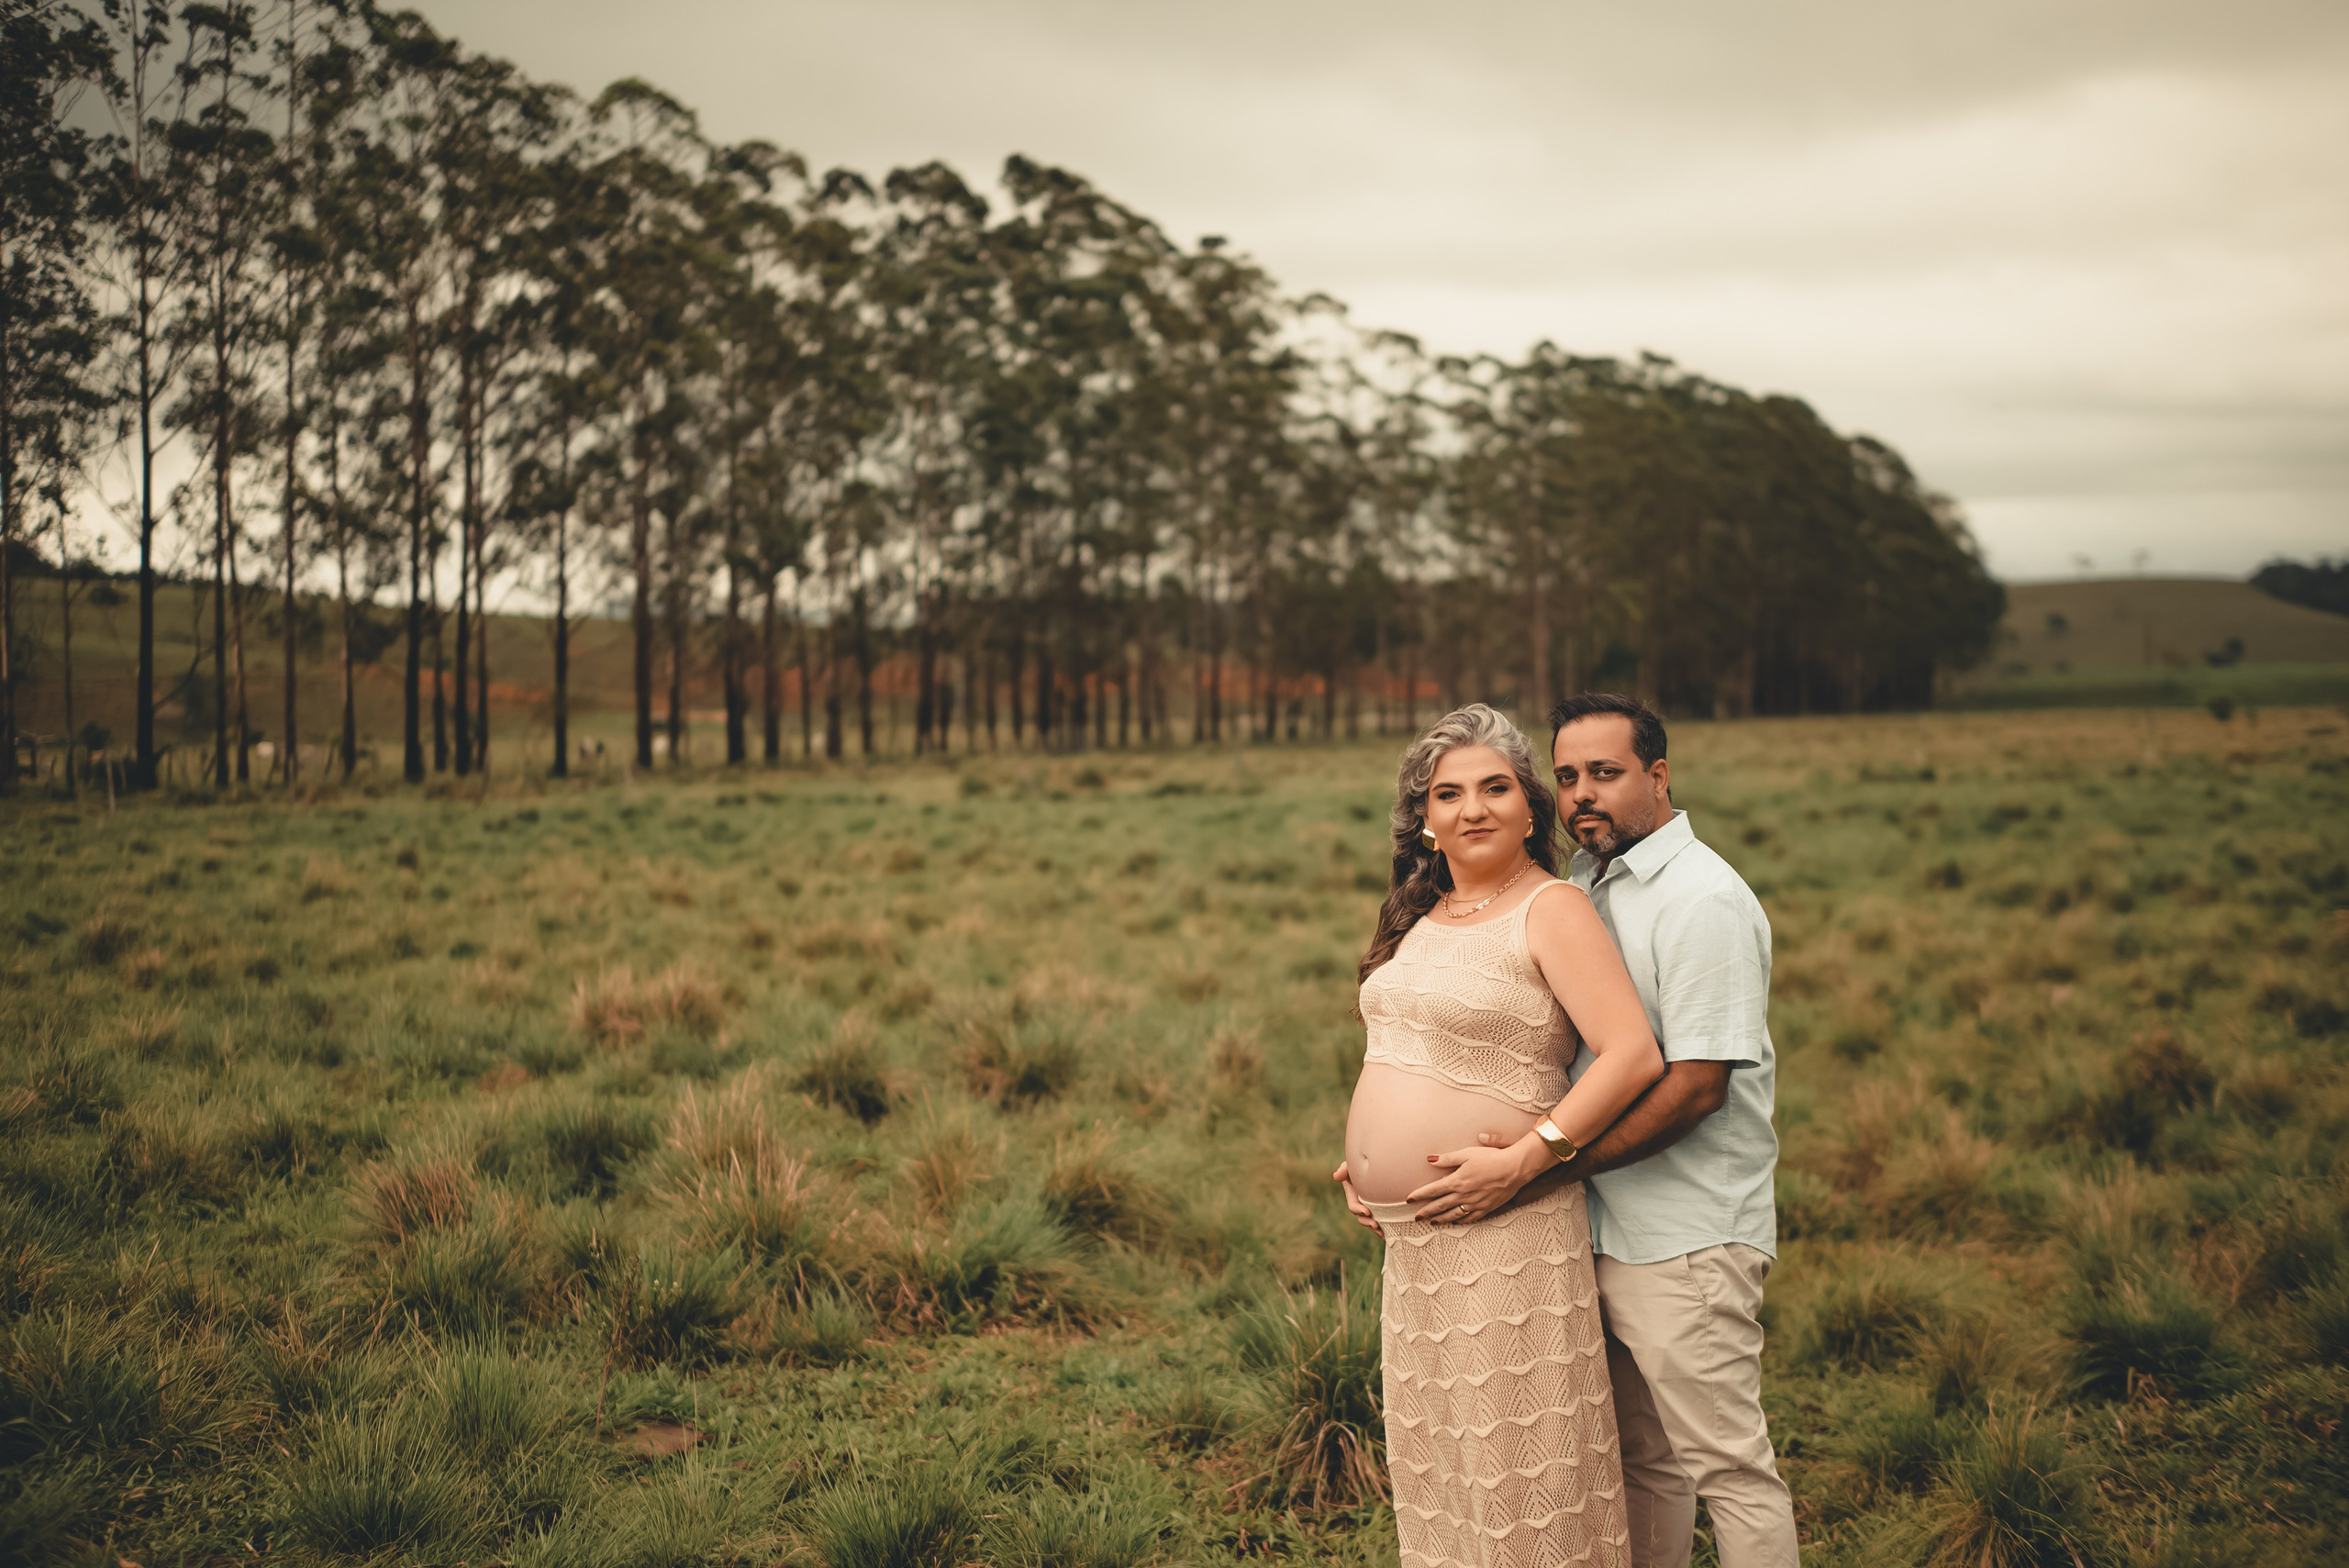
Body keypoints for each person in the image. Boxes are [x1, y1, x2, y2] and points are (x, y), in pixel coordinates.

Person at [1332, 703, 1665, 1568]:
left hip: (1506, 1235)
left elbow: (1631, 1055)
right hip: (1416, 1252)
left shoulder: (1550, 909)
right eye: (1449, 794)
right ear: (1427, 820)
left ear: (1529, 809)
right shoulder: (1420, 917)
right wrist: (1362, 1167)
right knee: (1445, 1476)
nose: (1472, 808)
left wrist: (1527, 1157)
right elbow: (1405, 1052)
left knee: (1526, 1485)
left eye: (1495, 788)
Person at [1535, 692, 1798, 1568]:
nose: (1582, 795)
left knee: (1728, 1469)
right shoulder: (1585, 886)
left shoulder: (1702, 898)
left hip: (1685, 1239)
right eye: (1567, 776)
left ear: (1658, 776)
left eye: (1605, 774)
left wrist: (1557, 1164)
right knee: (1644, 1463)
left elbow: (1696, 1088)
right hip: (1601, 1232)